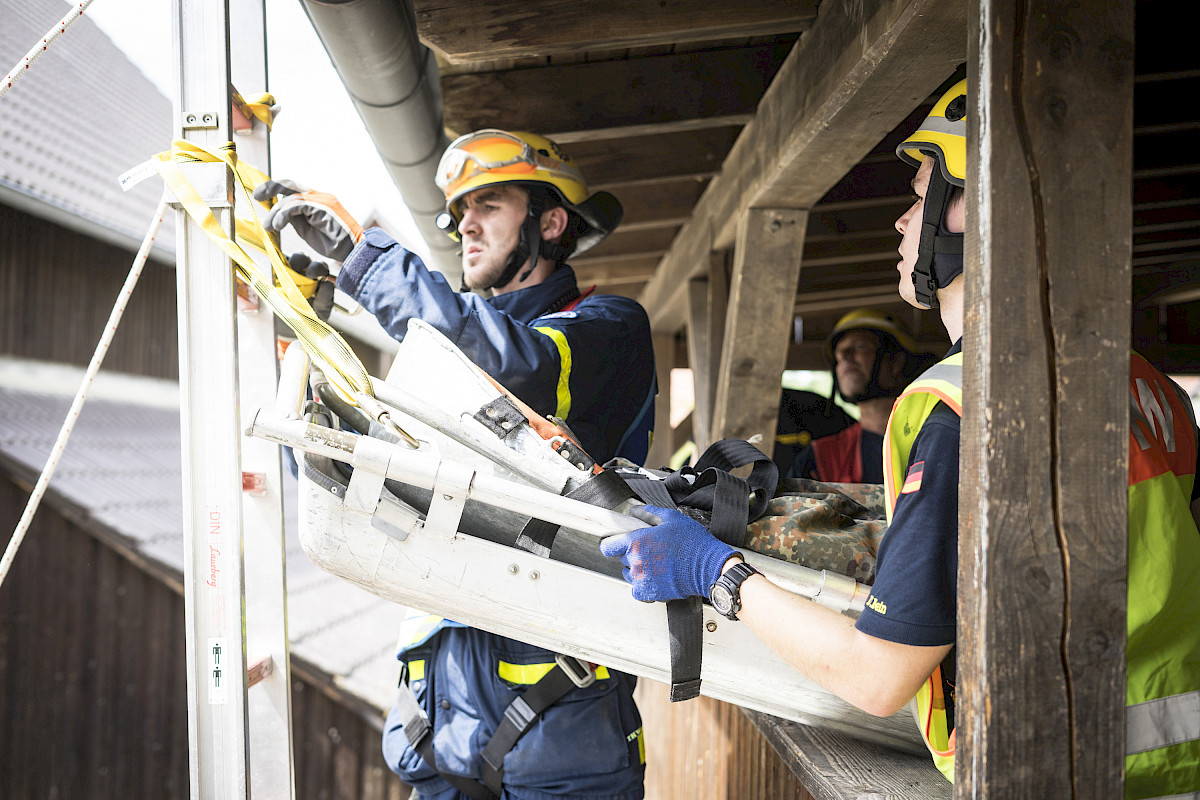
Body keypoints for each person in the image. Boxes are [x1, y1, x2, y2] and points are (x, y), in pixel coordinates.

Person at [600, 79, 1200, 797]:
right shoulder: (1145, 384)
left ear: (972, 208)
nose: (898, 224)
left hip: (1058, 775)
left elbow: (877, 676)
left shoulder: (966, 408)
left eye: (917, 197)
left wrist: (715, 572)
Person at [259, 129, 653, 800]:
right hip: (434, 716)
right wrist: (313, 343)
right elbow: (342, 491)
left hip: (561, 720)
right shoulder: (437, 360)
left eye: (489, 203)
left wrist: (367, 260)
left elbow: (514, 372)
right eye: (458, 212)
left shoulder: (604, 327)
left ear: (550, 222)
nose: (463, 224)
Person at [787, 309, 930, 484]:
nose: (844, 357)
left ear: (896, 361)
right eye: (838, 356)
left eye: (859, 347)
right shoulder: (819, 458)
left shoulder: (939, 438)